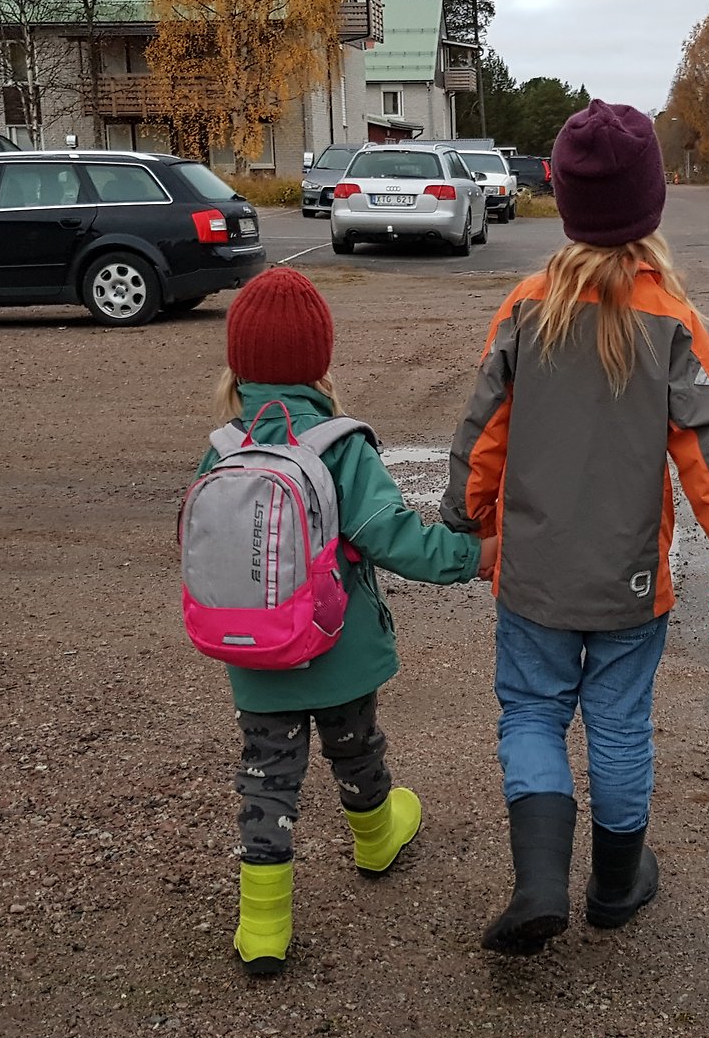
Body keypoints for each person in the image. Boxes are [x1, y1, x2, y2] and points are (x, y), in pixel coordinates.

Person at [444, 100, 709, 955]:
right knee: (620, 723)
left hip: (532, 578)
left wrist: (467, 520)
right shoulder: (669, 320)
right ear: (651, 204)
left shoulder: (525, 309)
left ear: (563, 201)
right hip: (632, 580)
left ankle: (539, 879)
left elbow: (484, 432)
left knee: (530, 712)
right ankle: (618, 882)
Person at [197, 268, 496, 978]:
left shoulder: (224, 445)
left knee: (267, 776)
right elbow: (390, 537)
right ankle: (377, 838)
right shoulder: (339, 445)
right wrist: (471, 556)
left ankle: (264, 927)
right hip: (337, 646)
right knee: (355, 746)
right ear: (320, 361)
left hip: (255, 649)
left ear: (237, 363)